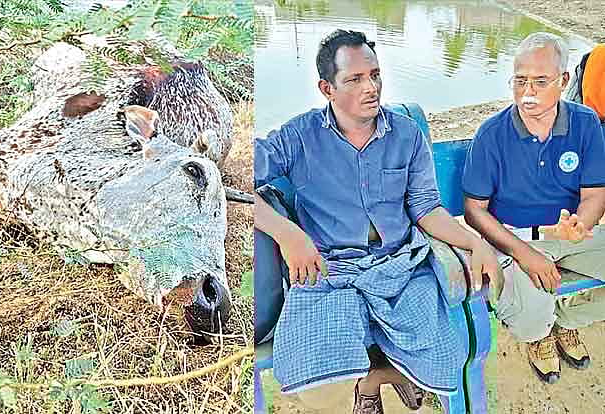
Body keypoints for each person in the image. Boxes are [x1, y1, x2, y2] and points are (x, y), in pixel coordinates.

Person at [255, 29, 500, 413]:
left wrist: (476, 243)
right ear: (327, 88)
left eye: (375, 75)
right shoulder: (298, 137)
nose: (371, 87)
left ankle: (372, 382)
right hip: (331, 273)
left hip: (402, 267)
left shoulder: (406, 136)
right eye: (354, 79)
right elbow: (237, 182)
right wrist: (287, 233)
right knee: (316, 386)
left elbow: (427, 209)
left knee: (445, 358)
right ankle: (376, 381)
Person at [463, 32, 605, 385]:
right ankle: (539, 336)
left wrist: (581, 224)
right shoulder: (492, 134)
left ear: (564, 80)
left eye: (541, 82)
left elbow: (594, 194)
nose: (528, 92)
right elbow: (474, 210)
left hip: (571, 236)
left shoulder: (585, 123)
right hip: (516, 238)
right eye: (520, 80)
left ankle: (566, 322)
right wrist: (524, 253)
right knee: (530, 318)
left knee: (547, 305)